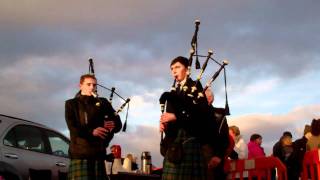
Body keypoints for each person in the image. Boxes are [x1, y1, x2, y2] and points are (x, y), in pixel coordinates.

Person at [160, 56, 228, 180]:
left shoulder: (195, 87)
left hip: (189, 144)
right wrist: (165, 125)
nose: (174, 71)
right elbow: (173, 120)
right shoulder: (174, 92)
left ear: (187, 70)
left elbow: (200, 116)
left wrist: (175, 117)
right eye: (171, 68)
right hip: (175, 146)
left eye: (177, 67)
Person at [65, 74, 122, 179]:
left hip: (98, 154)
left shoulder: (103, 103)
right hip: (80, 154)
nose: (92, 87)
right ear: (80, 85)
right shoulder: (71, 104)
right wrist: (92, 131)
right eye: (88, 84)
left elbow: (118, 124)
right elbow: (73, 128)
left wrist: (113, 125)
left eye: (94, 85)